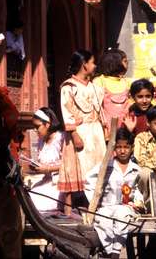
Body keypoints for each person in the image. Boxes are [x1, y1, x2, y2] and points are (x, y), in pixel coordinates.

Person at [58, 50, 106, 216]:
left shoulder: (94, 86)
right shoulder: (68, 87)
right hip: (79, 130)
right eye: (92, 62)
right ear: (84, 64)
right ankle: (68, 210)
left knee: (95, 168)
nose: (95, 65)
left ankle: (92, 207)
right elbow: (66, 110)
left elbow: (100, 110)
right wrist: (74, 134)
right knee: (74, 167)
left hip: (95, 131)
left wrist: (104, 128)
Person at [91, 128, 144, 259]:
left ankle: (116, 251)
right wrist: (95, 200)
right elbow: (89, 182)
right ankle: (109, 251)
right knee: (102, 218)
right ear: (114, 148)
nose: (122, 150)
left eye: (126, 147)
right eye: (119, 147)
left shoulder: (136, 169)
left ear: (132, 148)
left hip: (127, 207)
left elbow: (138, 189)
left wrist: (138, 202)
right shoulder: (105, 166)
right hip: (107, 206)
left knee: (121, 214)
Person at [26, 107, 64, 212]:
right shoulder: (41, 141)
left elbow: (69, 165)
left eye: (37, 126)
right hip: (46, 181)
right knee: (28, 198)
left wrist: (47, 168)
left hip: (59, 185)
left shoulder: (61, 138)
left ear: (47, 124)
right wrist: (36, 166)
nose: (35, 130)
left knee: (35, 204)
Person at [93, 49, 131, 140]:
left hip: (124, 126)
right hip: (107, 126)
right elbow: (96, 107)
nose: (128, 64)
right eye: (125, 61)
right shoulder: (100, 81)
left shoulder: (126, 82)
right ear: (115, 63)